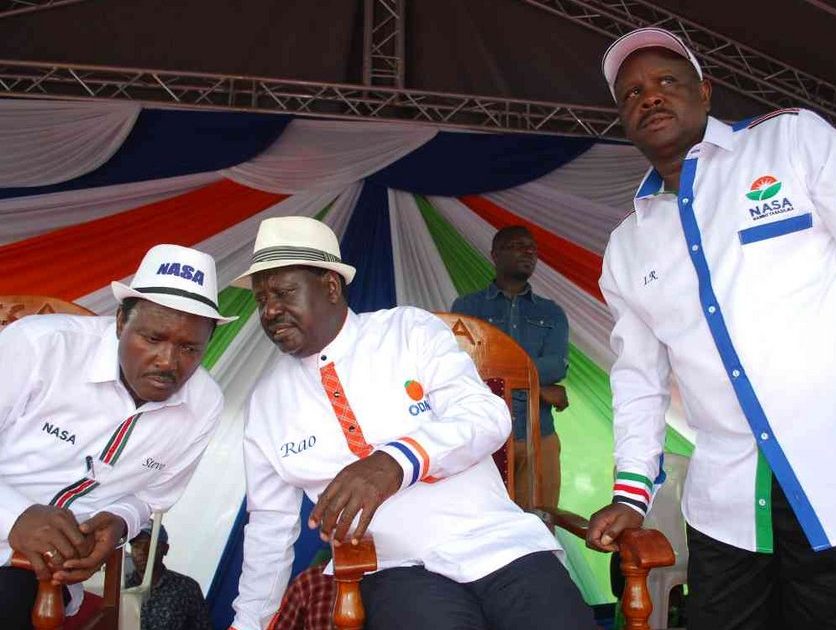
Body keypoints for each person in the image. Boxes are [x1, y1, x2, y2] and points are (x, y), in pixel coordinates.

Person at [585, 27, 836, 630]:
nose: (649, 97)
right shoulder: (627, 247)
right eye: (631, 94)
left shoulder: (792, 142)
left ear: (705, 92)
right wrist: (631, 495)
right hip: (727, 509)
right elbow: (638, 380)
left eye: (665, 80)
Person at [229, 217, 594, 630]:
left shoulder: (407, 331)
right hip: (395, 566)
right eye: (261, 299)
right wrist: (248, 623)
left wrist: (394, 462)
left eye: (283, 293)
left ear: (330, 286)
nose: (270, 311)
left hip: (497, 542)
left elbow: (486, 415)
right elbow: (270, 527)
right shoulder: (267, 404)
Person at [0, 243, 235, 628]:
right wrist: (15, 516)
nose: (168, 362)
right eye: (153, 338)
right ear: (121, 321)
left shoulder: (204, 405)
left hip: (44, 575)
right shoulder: (42, 347)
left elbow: (150, 498)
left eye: (189, 348)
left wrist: (121, 522)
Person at [451, 225, 570, 507]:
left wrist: (499, 372)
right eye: (518, 246)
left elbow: (556, 366)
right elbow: (462, 368)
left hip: (538, 436)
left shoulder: (551, 312)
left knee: (540, 521)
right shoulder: (467, 308)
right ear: (495, 254)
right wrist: (538, 389)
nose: (528, 252)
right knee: (482, 518)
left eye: (532, 248)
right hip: (484, 438)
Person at [126, 522, 212, 630]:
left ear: (165, 549)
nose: (142, 551)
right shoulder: (121, 588)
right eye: (136, 546)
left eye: (150, 545)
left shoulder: (186, 588)